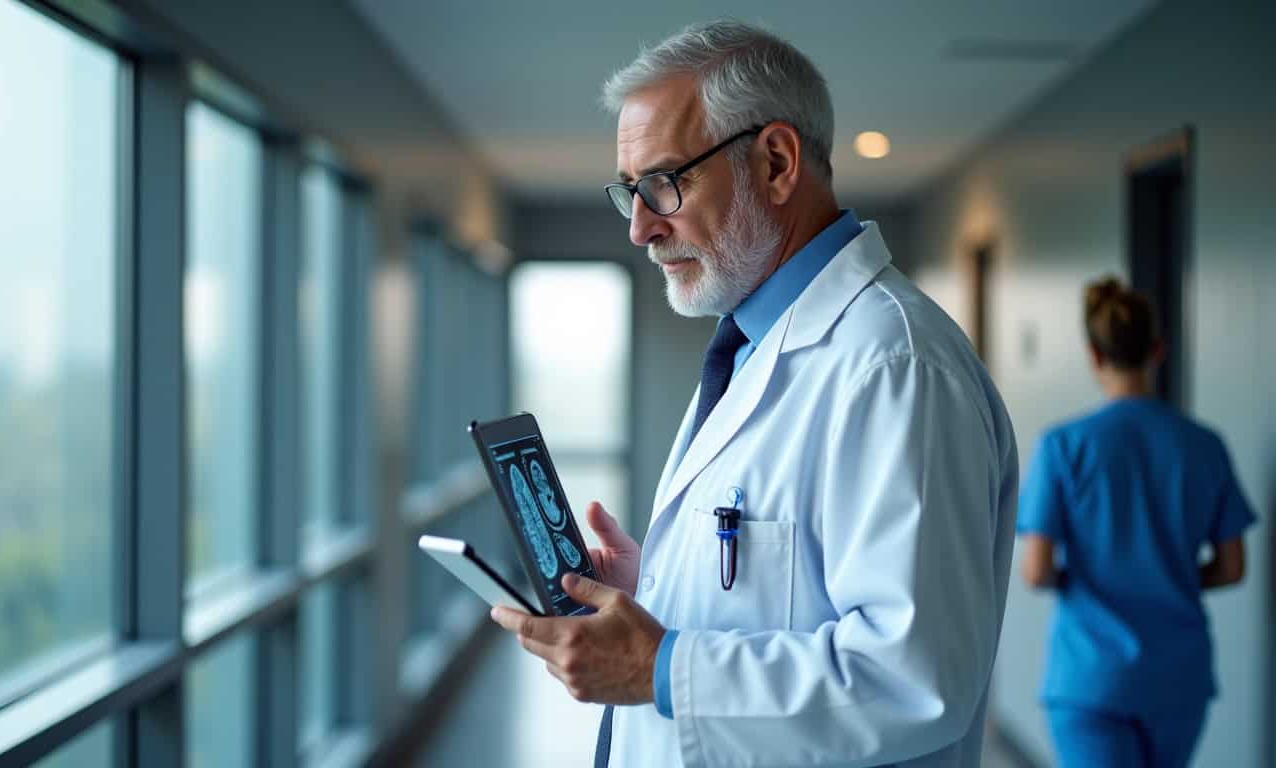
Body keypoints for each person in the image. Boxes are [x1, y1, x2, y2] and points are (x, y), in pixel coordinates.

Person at [489, 20, 1019, 767]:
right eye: (629, 192)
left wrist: (660, 669)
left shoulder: (892, 366)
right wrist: (664, 585)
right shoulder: (753, 346)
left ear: (775, 162)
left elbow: (914, 680)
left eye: (665, 183)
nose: (641, 228)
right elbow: (800, 588)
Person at [1017, 277, 1254, 767]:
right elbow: (1232, 568)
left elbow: (1036, 571)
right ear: (1158, 349)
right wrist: (1169, 578)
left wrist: (1087, 580)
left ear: (1094, 356)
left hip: (1091, 679)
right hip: (1177, 679)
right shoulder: (1204, 445)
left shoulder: (1064, 446)